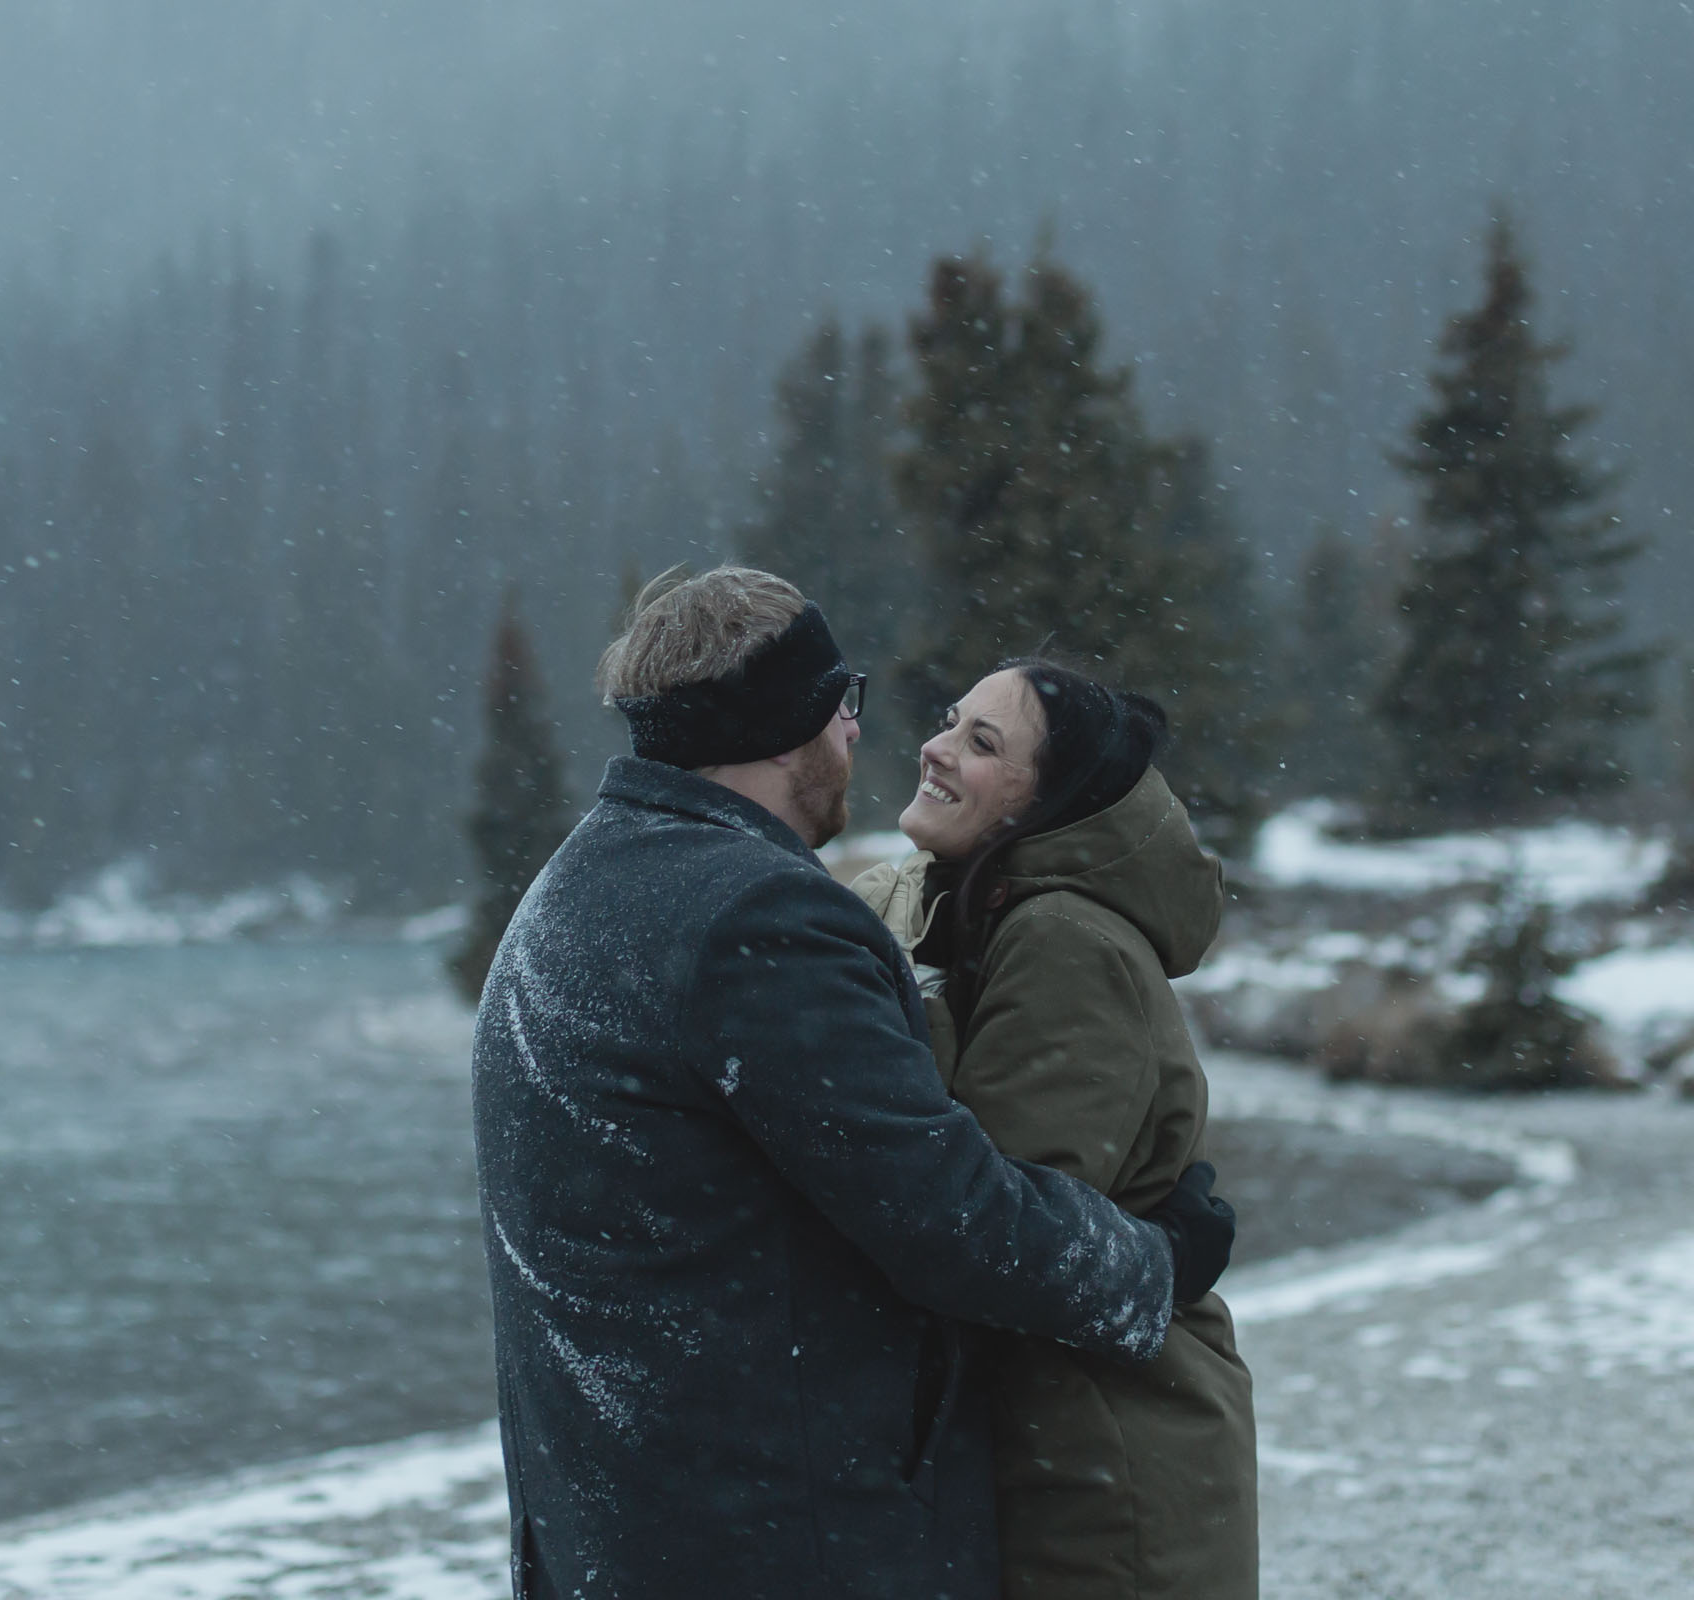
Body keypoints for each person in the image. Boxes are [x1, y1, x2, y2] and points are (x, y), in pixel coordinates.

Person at [470, 569, 1236, 1600]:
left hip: (609, 1522)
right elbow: (950, 1217)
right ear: (790, 726)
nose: (859, 738)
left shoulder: (569, 890)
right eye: (845, 706)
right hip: (777, 1535)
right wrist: (1157, 1258)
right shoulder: (757, 920)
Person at [852, 657, 1258, 1600]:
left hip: (1101, 1453)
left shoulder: (1063, 938)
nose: (935, 747)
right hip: (1061, 1428)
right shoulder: (972, 914)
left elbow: (1004, 1223)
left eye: (981, 743)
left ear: (1043, 807)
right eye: (951, 722)